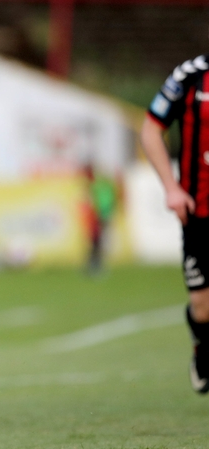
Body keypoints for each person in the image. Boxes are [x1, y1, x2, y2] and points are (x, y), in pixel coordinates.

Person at [141, 53, 209, 394]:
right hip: (199, 212)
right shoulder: (190, 76)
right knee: (202, 306)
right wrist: (171, 188)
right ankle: (202, 348)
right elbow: (151, 129)